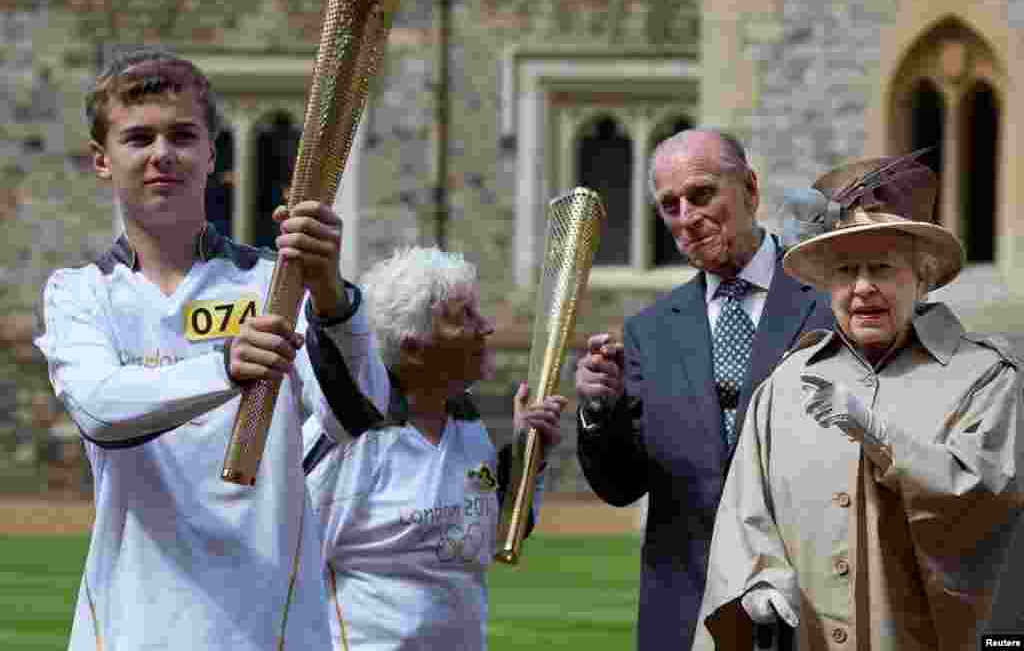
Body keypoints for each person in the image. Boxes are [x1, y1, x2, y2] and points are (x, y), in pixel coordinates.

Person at [34, 49, 380, 650]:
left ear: (212, 154)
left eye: (183, 136)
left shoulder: (275, 283)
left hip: (269, 627)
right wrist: (224, 367)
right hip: (131, 627)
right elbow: (100, 409)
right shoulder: (80, 294)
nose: (162, 154)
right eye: (138, 138)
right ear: (102, 160)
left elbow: (357, 414)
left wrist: (330, 295)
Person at [694, 152, 1024, 650]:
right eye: (847, 271)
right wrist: (758, 583)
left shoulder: (983, 378)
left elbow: (987, 503)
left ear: (922, 278)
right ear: (827, 285)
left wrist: (879, 435)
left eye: (883, 268)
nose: (863, 287)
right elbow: (746, 515)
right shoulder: (785, 385)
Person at [575, 129, 833, 650]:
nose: (687, 216)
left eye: (701, 194)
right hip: (688, 613)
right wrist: (602, 410)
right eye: (669, 205)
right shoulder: (649, 332)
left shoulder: (832, 303)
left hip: (813, 610)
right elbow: (621, 485)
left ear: (751, 189)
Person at [302, 245, 567, 651]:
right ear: (413, 347)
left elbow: (490, 536)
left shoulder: (466, 421)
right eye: (464, 317)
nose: (486, 327)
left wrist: (527, 456)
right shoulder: (346, 438)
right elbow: (286, 562)